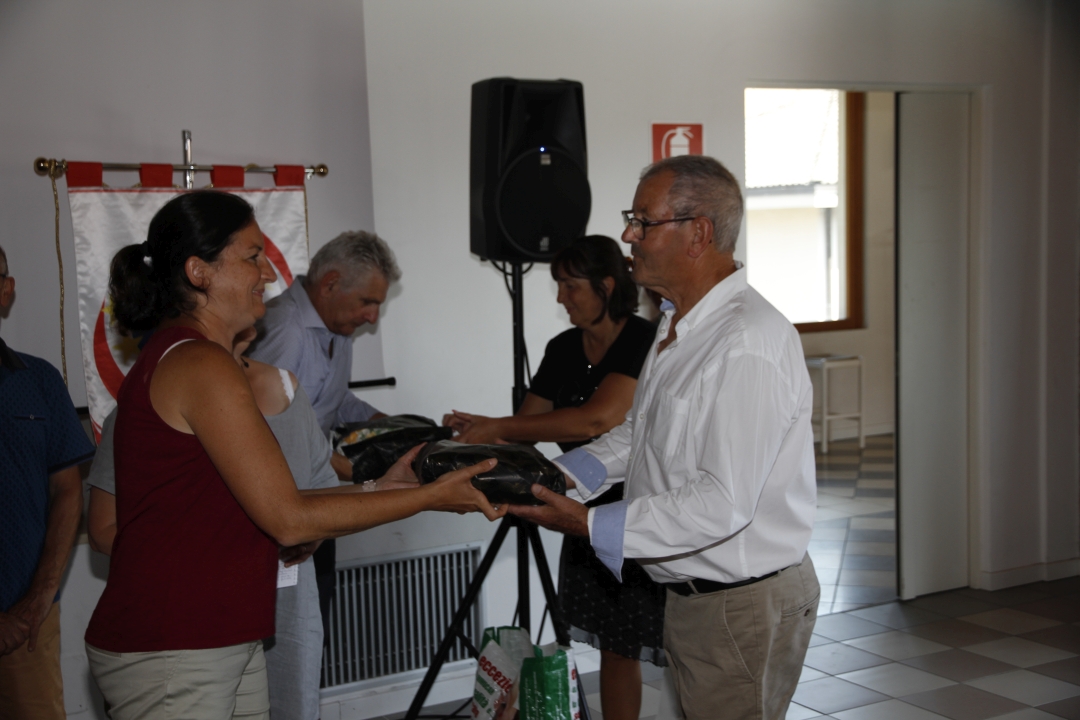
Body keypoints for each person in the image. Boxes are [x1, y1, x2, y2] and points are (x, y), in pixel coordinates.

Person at [84, 190, 504, 720]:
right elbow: (288, 518)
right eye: (252, 256)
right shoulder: (199, 363)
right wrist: (427, 497)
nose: (267, 273)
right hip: (176, 641)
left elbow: (277, 500)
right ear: (199, 271)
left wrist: (385, 486)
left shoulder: (198, 359)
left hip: (221, 633)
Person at [510, 156, 819, 720]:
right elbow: (640, 435)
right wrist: (555, 477)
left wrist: (589, 524)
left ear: (698, 233)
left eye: (642, 221)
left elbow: (722, 501)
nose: (628, 236)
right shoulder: (678, 323)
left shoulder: (746, 341)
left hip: (739, 603)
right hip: (694, 596)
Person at [85, 327, 399, 720]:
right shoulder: (153, 399)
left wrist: (386, 492)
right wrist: (224, 555)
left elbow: (316, 496)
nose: (259, 296)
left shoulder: (287, 389)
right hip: (192, 624)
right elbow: (103, 528)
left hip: (279, 609)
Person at [443, 235, 664, 720]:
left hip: (633, 513)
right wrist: (476, 435)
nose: (561, 297)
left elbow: (596, 420)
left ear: (607, 285)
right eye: (558, 285)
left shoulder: (643, 339)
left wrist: (498, 426)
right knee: (608, 640)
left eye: (570, 285)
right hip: (578, 507)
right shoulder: (563, 347)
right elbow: (526, 427)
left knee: (627, 644)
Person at [248, 230, 399, 643]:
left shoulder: (338, 328)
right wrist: (356, 472)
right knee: (281, 642)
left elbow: (334, 401)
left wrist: (399, 428)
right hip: (279, 512)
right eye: (367, 301)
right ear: (330, 284)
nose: (373, 317)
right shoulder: (284, 328)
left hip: (318, 503)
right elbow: (270, 431)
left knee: (312, 633)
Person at [0, 244, 97, 720]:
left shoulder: (38, 379)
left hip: (27, 622)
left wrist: (37, 599)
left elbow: (68, 490)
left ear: (6, 290)